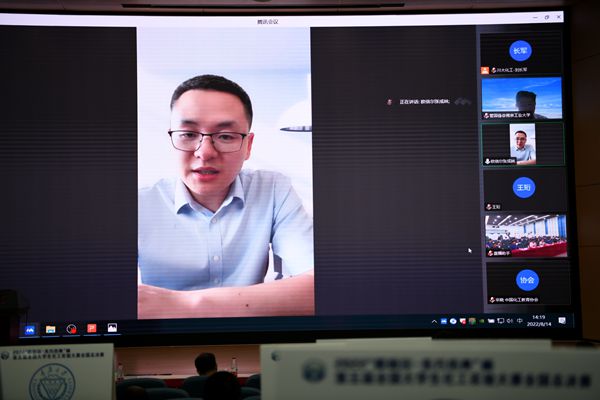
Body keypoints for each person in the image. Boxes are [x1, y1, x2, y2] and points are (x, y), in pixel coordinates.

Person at [137, 74, 314, 319]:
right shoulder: (138, 205)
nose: (205, 152)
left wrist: (184, 304)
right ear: (172, 139)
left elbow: (320, 287)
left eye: (225, 136)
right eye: (188, 134)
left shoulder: (273, 189)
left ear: (248, 146)